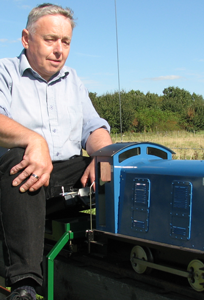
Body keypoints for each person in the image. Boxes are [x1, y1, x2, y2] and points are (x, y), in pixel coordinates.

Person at [0, 3, 112, 300]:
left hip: (62, 176)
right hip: (16, 179)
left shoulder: (73, 80)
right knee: (19, 160)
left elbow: (94, 128)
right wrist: (33, 141)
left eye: (66, 42)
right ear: (26, 38)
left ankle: (127, 258)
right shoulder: (5, 72)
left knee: (117, 170)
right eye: (50, 39)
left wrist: (103, 154)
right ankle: (24, 285)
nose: (59, 49)